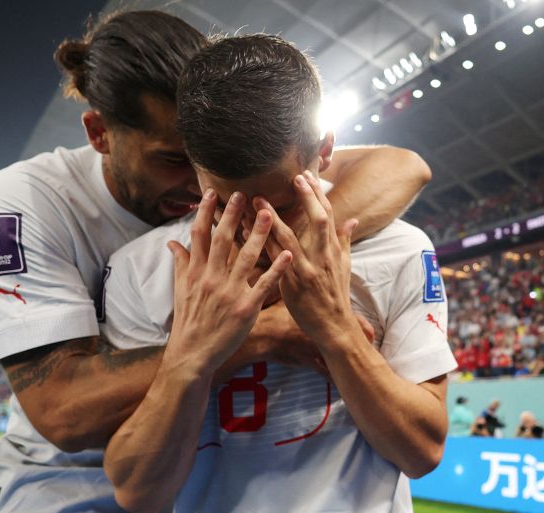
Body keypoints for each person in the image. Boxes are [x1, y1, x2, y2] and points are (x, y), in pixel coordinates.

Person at [0, 10, 432, 513]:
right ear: (99, 134)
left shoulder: (228, 175)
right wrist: (258, 330)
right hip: (64, 487)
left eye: (207, 159)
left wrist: (282, 259)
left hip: (184, 478)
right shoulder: (19, 205)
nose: (201, 183)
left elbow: (402, 166)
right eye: (173, 159)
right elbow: (63, 414)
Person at [101, 34, 455, 513]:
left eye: (283, 202)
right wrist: (191, 358)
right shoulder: (141, 269)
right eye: (225, 203)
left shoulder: (399, 248)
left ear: (324, 150)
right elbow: (137, 492)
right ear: (197, 168)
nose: (255, 223)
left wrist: (337, 332)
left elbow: (423, 451)